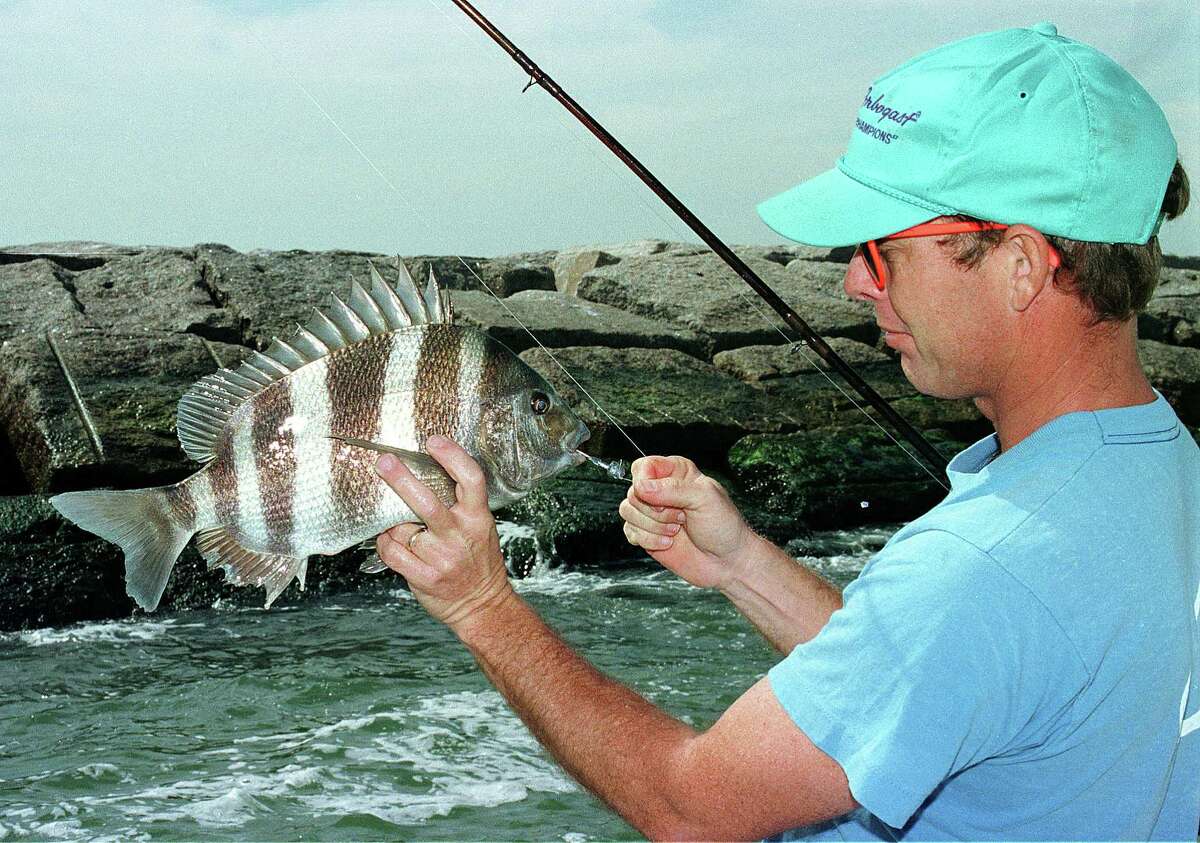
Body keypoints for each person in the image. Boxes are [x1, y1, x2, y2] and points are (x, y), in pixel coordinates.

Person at [372, 23, 1199, 840]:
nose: (852, 281)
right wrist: (743, 564)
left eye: (880, 249)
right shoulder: (1164, 467)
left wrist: (482, 604)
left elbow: (690, 807)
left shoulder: (983, 567)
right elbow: (945, 678)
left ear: (1021, 263)